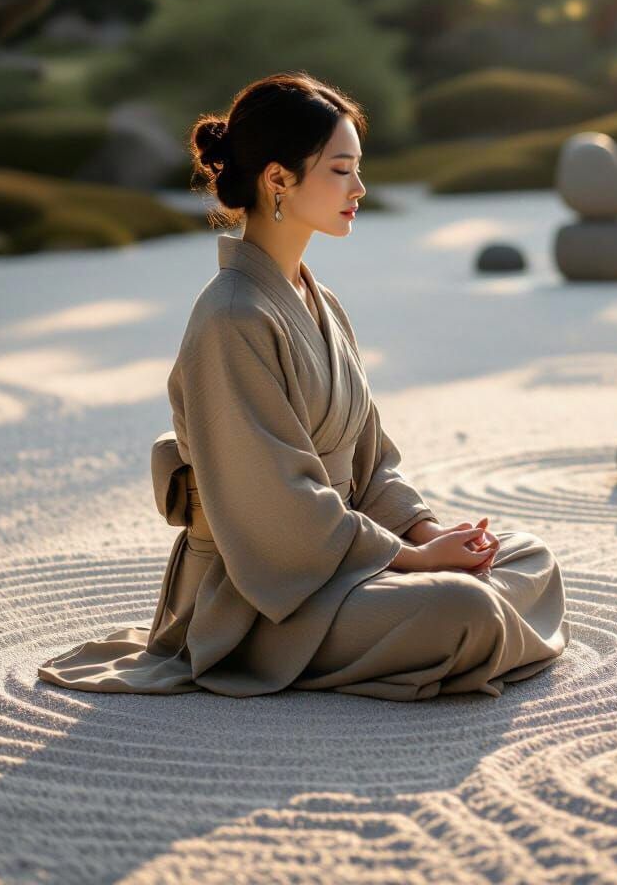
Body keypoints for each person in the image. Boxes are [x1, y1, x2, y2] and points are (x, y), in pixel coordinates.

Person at [37, 71, 569, 701]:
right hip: (263, 593)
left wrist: (429, 537)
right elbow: (280, 505)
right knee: (463, 609)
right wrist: (415, 564)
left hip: (345, 560)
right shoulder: (232, 317)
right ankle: (465, 626)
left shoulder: (320, 300)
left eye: (358, 169)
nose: (360, 188)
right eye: (342, 170)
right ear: (278, 179)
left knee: (524, 554)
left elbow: (372, 460)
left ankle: (458, 619)